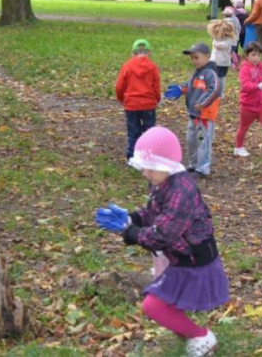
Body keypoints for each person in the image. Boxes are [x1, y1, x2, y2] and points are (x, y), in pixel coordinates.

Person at [94, 127, 229, 357]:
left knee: (154, 305)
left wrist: (132, 233)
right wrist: (132, 218)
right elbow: (154, 212)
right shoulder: (161, 181)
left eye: (149, 168)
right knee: (167, 304)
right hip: (179, 254)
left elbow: (164, 233)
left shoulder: (181, 191)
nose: (145, 173)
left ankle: (201, 336)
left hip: (193, 259)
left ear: (165, 165)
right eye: (143, 167)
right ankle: (194, 339)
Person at [166, 43, 220, 178]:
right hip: (193, 114)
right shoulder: (198, 72)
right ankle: (194, 164)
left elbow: (215, 89)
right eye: (192, 58)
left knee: (203, 141)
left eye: (197, 57)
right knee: (191, 140)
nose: (194, 61)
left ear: (207, 57)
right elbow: (190, 86)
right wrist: (180, 88)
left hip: (205, 115)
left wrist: (203, 102)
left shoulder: (210, 73)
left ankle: (203, 168)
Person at [115, 39, 161, 160]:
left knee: (133, 131)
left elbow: (119, 86)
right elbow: (156, 86)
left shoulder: (127, 66)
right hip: (149, 104)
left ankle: (132, 156)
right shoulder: (153, 67)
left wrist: (121, 98)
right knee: (149, 131)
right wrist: (157, 99)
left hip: (131, 104)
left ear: (133, 53)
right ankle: (148, 156)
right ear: (149, 52)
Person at [207, 19, 236, 95]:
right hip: (214, 61)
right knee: (213, 76)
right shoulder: (216, 39)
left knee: (220, 77)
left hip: (223, 62)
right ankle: (213, 90)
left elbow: (222, 45)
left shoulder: (229, 40)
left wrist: (216, 43)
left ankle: (220, 93)